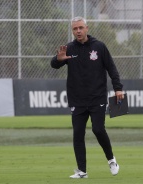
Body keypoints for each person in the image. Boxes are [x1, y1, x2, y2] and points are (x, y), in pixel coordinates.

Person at [51, 16, 123, 179]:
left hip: (97, 97)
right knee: (78, 134)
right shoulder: (68, 48)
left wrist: (118, 88)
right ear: (72, 30)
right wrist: (58, 59)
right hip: (77, 99)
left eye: (80, 28)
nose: (78, 31)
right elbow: (54, 64)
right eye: (75, 29)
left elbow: (111, 68)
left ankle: (111, 160)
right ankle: (82, 171)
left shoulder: (99, 46)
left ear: (87, 28)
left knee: (98, 129)